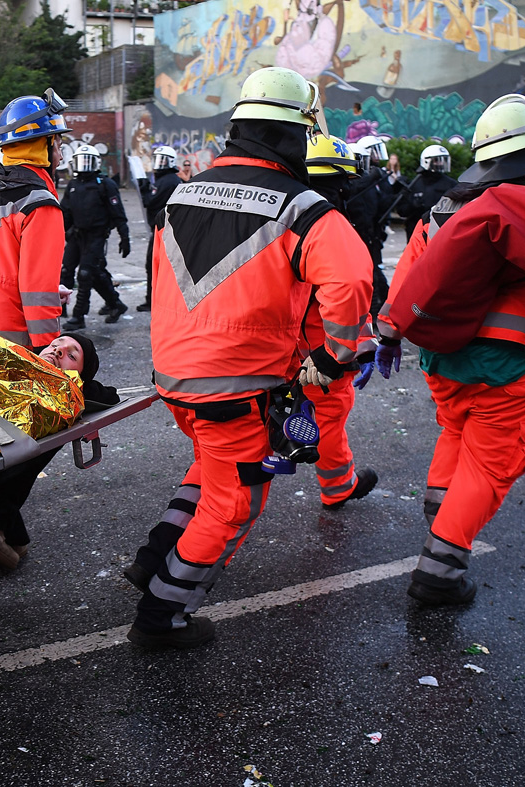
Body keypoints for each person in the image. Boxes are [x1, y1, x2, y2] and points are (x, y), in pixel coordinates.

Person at [121, 67, 372, 650]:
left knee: (211, 470)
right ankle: (164, 615)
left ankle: (152, 558)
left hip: (177, 378)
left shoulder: (180, 194)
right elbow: (353, 278)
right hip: (238, 384)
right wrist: (335, 360)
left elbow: (161, 282)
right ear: (295, 134)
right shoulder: (302, 206)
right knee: (236, 499)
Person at [376, 94, 525, 605]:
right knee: (492, 460)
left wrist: (391, 332)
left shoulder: (441, 210)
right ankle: (440, 573)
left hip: (442, 356)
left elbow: (412, 281)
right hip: (510, 360)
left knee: (457, 432)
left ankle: (440, 521)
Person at [0, 333, 120, 571]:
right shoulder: (12, 365)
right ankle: (8, 539)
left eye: (71, 355)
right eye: (56, 345)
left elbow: (108, 394)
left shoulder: (67, 394)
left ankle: (4, 538)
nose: (58, 351)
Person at [0, 89, 71, 348]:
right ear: (43, 146)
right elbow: (37, 293)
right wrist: (48, 351)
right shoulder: (40, 205)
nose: (61, 157)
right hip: (12, 345)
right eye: (59, 146)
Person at [302, 133, 381, 508]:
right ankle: (338, 486)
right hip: (320, 340)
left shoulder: (287, 214)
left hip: (285, 337)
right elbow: (347, 293)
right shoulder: (331, 224)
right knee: (329, 413)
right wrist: (348, 349)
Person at [59, 143, 130, 329]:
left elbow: (118, 214)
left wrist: (125, 237)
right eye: (81, 161)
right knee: (66, 270)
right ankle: (61, 308)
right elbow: (64, 213)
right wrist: (57, 235)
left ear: (96, 163)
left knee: (86, 273)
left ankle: (79, 316)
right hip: (76, 235)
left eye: (88, 161)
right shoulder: (73, 185)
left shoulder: (105, 184)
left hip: (96, 236)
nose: (84, 165)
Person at [347, 135, 399, 321]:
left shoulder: (376, 178)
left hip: (372, 235)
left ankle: (381, 311)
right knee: (371, 275)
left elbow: (379, 205)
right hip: (355, 235)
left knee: (374, 273)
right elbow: (353, 192)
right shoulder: (351, 182)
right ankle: (377, 311)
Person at [136, 144, 183, 312]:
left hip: (164, 229)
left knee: (154, 265)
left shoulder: (168, 180)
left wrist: (144, 189)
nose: (159, 164)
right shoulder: (167, 179)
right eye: (158, 160)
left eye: (163, 160)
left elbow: (150, 202)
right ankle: (153, 299)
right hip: (164, 227)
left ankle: (153, 300)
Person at [400, 144, 457, 239]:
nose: (440, 164)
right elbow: (402, 211)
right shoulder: (415, 183)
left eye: (442, 160)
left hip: (441, 232)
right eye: (436, 160)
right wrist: (413, 205)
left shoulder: (451, 184)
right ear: (426, 161)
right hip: (417, 233)